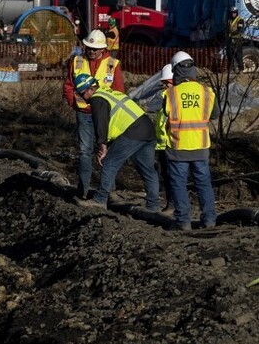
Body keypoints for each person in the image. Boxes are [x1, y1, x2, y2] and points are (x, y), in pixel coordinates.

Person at [73, 74, 159, 210]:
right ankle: (153, 206)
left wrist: (103, 148)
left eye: (81, 93)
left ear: (89, 89)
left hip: (133, 131)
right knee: (148, 170)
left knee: (109, 163)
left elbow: (101, 125)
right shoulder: (109, 92)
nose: (82, 97)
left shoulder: (97, 99)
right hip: (147, 129)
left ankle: (100, 200)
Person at [62, 29, 124, 200]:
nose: (91, 51)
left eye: (94, 48)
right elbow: (68, 85)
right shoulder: (77, 61)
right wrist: (73, 102)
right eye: (88, 47)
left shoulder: (113, 64)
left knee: (106, 153)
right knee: (84, 152)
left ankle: (109, 191)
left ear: (103, 49)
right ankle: (82, 190)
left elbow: (119, 91)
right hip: (84, 113)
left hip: (105, 116)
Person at [162, 51, 218, 230]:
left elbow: (165, 113)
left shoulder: (171, 94)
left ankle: (183, 222)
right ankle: (209, 220)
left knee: (178, 184)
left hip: (178, 148)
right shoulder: (207, 92)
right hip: (200, 147)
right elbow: (215, 115)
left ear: (176, 71)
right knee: (203, 183)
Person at [154, 64, 175, 213]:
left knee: (173, 177)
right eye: (164, 83)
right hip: (163, 144)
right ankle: (171, 203)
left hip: (172, 145)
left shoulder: (175, 99)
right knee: (166, 176)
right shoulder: (165, 97)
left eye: (167, 82)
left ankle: (174, 205)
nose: (165, 85)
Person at [227, 5, 245, 72]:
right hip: (230, 39)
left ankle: (241, 70)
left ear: (236, 12)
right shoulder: (229, 20)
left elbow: (239, 30)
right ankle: (231, 69)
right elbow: (227, 29)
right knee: (230, 54)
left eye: (234, 12)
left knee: (238, 55)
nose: (233, 14)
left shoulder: (240, 20)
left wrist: (231, 34)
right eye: (232, 12)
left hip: (237, 40)